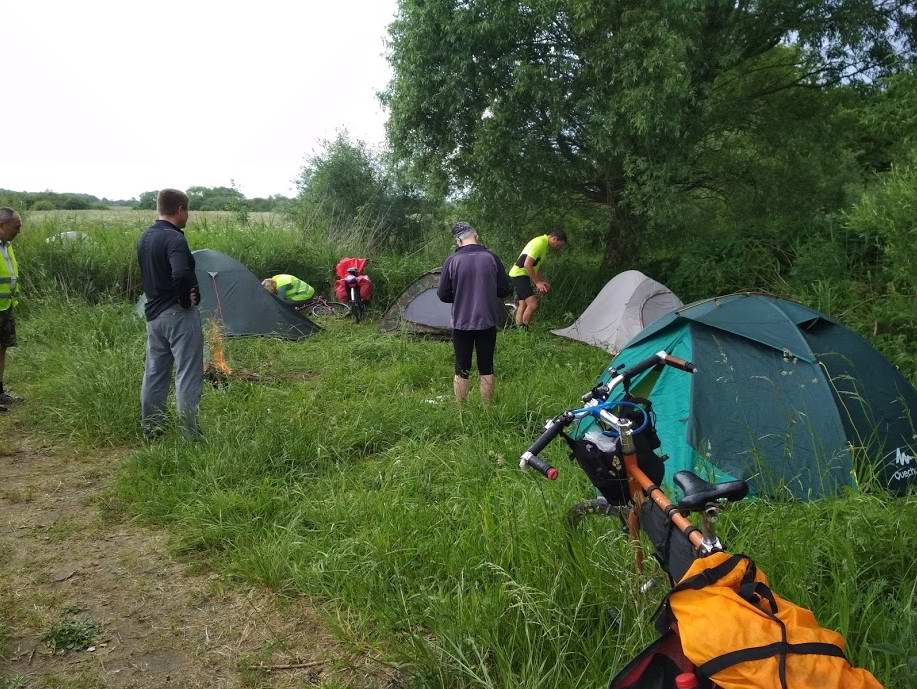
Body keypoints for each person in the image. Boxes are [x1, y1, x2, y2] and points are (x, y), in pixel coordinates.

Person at [137, 189, 204, 439]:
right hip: (177, 315)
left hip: (153, 315)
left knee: (154, 372)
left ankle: (152, 430)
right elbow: (180, 273)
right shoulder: (174, 239)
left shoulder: (145, 237)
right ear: (180, 210)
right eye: (187, 210)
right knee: (187, 373)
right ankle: (190, 435)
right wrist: (186, 298)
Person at [437, 222, 513, 404]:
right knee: (486, 366)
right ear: (476, 236)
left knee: (461, 368)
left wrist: (460, 296)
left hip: (461, 323)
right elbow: (504, 290)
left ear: (458, 240)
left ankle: (461, 412)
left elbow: (443, 294)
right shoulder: (492, 258)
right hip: (487, 321)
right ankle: (487, 411)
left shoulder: (452, 261)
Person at [508, 228, 568, 329]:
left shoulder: (543, 243)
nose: (558, 248)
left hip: (519, 274)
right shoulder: (540, 243)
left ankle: (519, 331)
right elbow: (527, 264)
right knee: (533, 304)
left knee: (523, 304)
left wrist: (541, 281)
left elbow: (534, 267)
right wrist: (537, 283)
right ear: (554, 238)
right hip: (520, 274)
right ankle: (524, 331)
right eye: (559, 245)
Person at [0, 208, 23, 413]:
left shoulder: (7, 245)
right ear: (2, 226)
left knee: (2, 348)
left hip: (5, 307)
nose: (19, 231)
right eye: (16, 227)